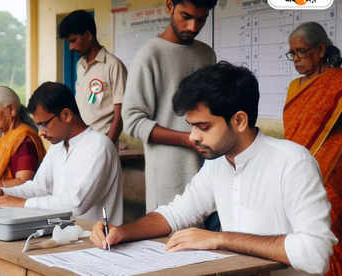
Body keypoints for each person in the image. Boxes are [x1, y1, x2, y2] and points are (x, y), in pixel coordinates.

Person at [91, 62, 337, 275]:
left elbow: (316, 253)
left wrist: (220, 238)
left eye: (203, 127)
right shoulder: (218, 163)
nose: (193, 137)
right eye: (191, 126)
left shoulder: (293, 162)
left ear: (239, 120)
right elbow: (178, 213)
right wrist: (122, 232)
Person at [121, 0, 218, 213]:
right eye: (186, 17)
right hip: (169, 178)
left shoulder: (207, 55)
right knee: (171, 242)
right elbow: (133, 121)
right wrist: (187, 140)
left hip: (209, 173)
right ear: (169, 6)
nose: (193, 27)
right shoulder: (150, 55)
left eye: (201, 20)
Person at [0, 82, 123, 225]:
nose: (41, 133)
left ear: (66, 115)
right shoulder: (58, 146)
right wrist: (3, 192)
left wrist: (23, 203)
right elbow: (39, 188)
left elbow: (77, 204)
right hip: (65, 236)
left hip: (97, 241)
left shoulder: (99, 146)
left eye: (43, 124)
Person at [283, 21, 342, 276]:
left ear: (320, 50)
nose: (296, 59)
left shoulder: (338, 83)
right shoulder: (294, 87)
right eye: (292, 53)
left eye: (302, 52)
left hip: (331, 175)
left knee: (329, 236)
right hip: (295, 173)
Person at [59, 10, 127, 144]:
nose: (71, 47)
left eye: (73, 41)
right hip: (79, 143)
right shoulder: (80, 65)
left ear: (89, 35)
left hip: (101, 143)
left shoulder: (113, 65)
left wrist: (107, 147)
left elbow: (120, 116)